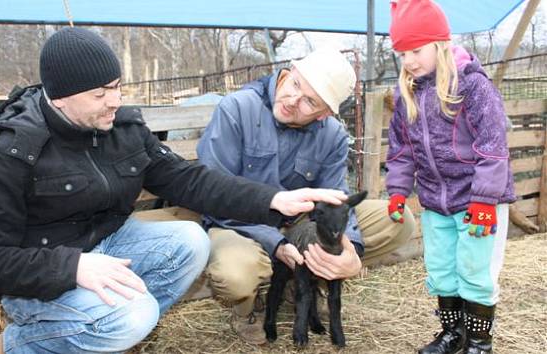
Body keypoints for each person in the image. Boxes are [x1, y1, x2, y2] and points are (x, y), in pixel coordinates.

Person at [0, 27, 350, 354]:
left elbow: (186, 179)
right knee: (134, 315)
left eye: (116, 87)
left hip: (106, 246)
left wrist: (271, 200)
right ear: (60, 96)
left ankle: (106, 333)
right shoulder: (14, 152)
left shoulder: (121, 130)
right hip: (43, 273)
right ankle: (19, 343)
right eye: (99, 94)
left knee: (190, 241)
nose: (115, 101)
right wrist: (72, 267)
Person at [196, 46, 416, 344]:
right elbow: (214, 195)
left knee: (397, 221)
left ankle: (310, 279)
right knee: (236, 273)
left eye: (310, 101)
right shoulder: (236, 109)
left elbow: (336, 197)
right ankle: (249, 306)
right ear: (287, 74)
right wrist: (278, 244)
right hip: (238, 224)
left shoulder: (332, 136)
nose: (293, 101)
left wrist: (352, 251)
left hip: (301, 224)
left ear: (324, 114)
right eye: (296, 85)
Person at [386, 1, 516, 353]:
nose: (409, 60)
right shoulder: (406, 95)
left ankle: (478, 342)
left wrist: (485, 200)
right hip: (435, 202)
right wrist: (398, 190)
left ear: (439, 44)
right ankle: (452, 334)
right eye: (402, 53)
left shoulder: (473, 87)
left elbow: (492, 146)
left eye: (416, 49)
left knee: (475, 272)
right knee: (441, 270)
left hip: (477, 201)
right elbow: (401, 149)